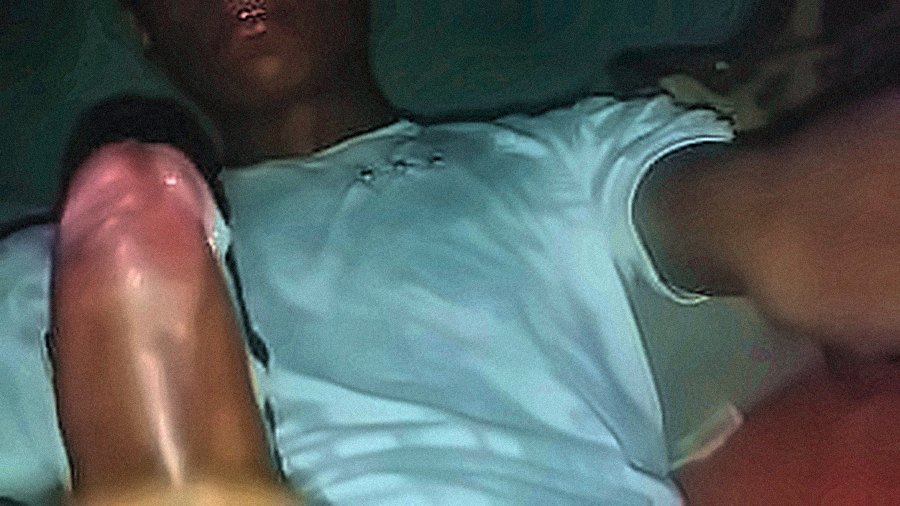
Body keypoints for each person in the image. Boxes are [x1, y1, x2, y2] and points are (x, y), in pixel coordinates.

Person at [1, 0, 899, 503]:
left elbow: (782, 216)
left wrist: (821, 219)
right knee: (128, 233)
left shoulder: (568, 155)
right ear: (144, 28)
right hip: (135, 343)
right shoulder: (53, 267)